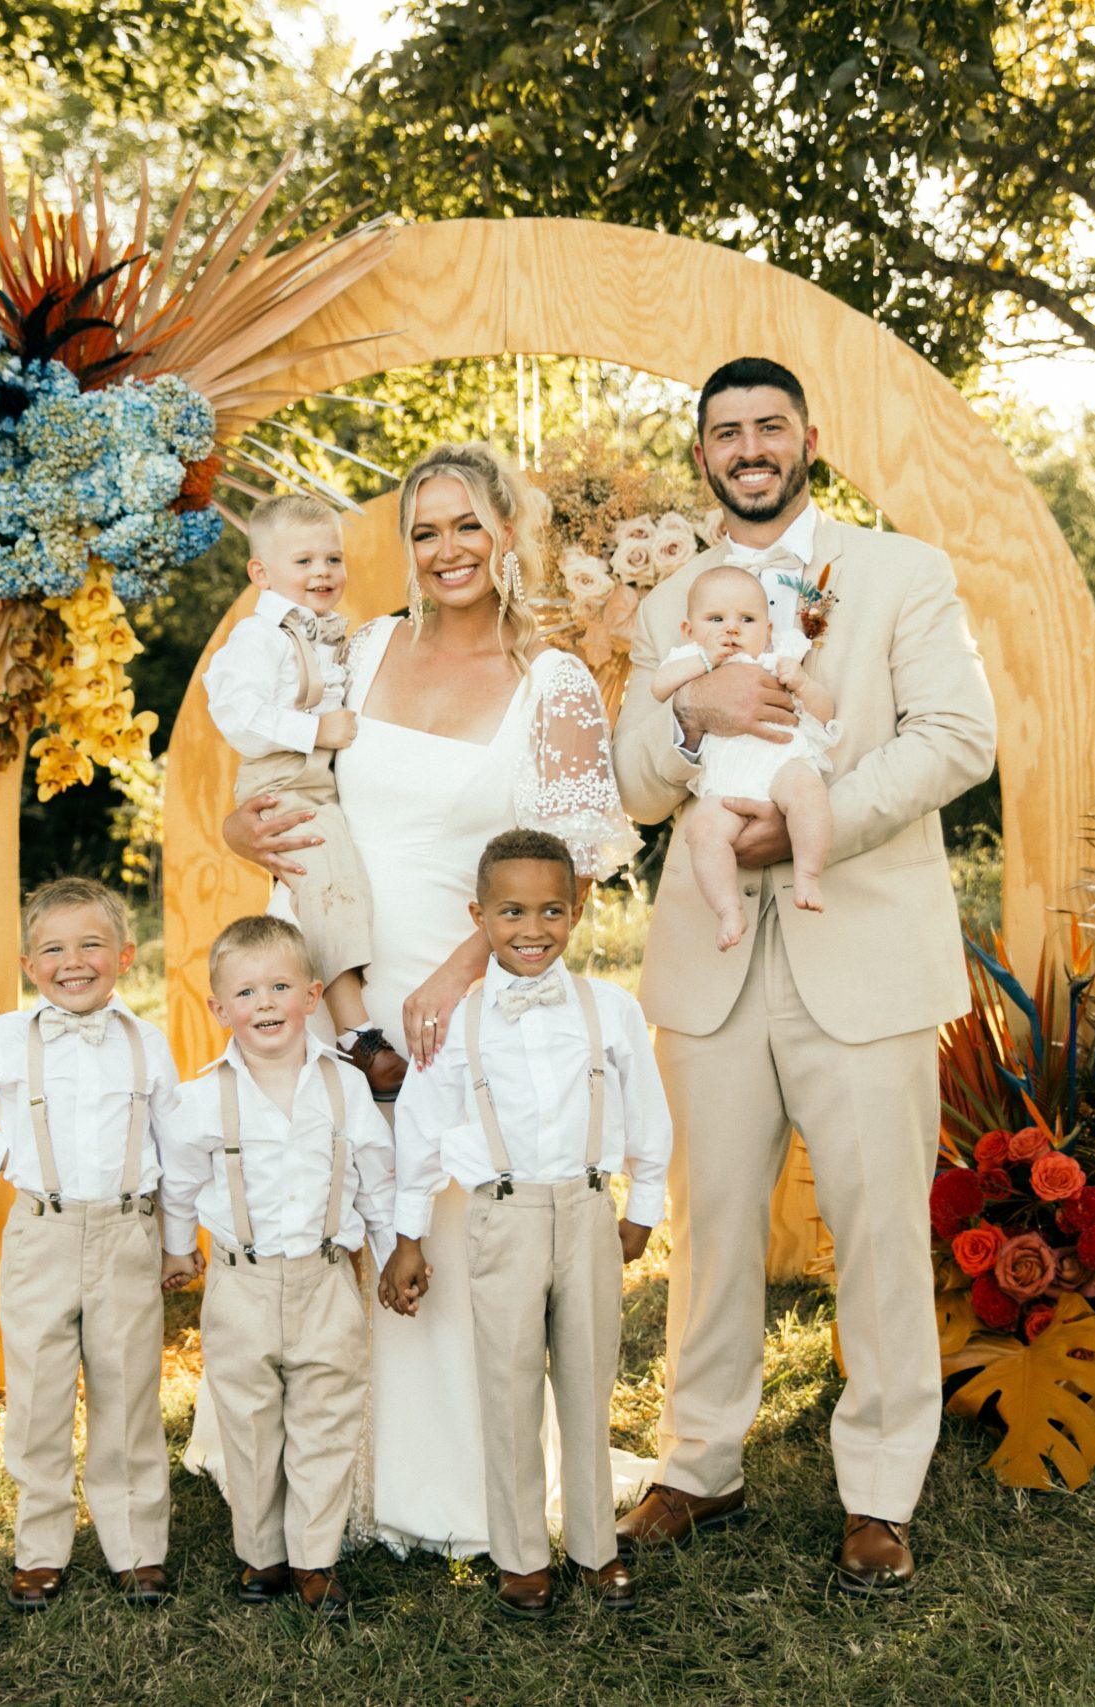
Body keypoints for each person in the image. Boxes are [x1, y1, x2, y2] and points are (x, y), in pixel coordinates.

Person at [609, 357, 997, 1594]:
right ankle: (698, 1463)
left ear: (807, 439)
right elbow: (628, 781)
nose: (749, 446)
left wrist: (818, 819)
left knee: (879, 1230)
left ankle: (880, 1489)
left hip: (862, 946)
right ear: (704, 454)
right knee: (710, 1228)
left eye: (769, 425)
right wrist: (692, 718)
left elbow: (958, 737)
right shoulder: (665, 597)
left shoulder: (899, 572)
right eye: (725, 432)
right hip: (711, 961)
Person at [217, 440, 643, 1559]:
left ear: (507, 533)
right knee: (329, 1206)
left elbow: (578, 857)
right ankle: (313, 1474)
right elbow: (276, 770)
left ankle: (453, 1483)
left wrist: (464, 975)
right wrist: (233, 828)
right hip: (338, 974)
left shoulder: (550, 681)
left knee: (450, 1230)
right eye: (423, 530)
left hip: (464, 990)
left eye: (466, 525)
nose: (445, 549)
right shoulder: (355, 652)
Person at [381, 829, 670, 1618]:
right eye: (511, 912)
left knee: (587, 1378)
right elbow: (420, 1131)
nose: (532, 928)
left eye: (550, 909)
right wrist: (407, 1237)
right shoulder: (458, 1022)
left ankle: (595, 1546)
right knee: (507, 1385)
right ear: (480, 916)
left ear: (576, 910)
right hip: (500, 1218)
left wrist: (643, 1207)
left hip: (585, 1210)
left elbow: (647, 1114)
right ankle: (519, 1557)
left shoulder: (609, 1010)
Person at [0, 877, 185, 1611]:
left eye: (91, 944)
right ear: (30, 964)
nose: (74, 961)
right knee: (37, 1393)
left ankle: (136, 1546)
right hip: (42, 1233)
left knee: (128, 1389)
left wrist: (179, 1241)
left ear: (124, 955)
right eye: (54, 949)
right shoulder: (5, 1038)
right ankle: (39, 1546)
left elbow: (178, 1148)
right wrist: (6, 1156)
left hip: (128, 1230)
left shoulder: (146, 1042)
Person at [159, 915, 394, 1620]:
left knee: (327, 1415)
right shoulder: (201, 1098)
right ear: (219, 1008)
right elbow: (176, 1180)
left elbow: (376, 1177)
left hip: (327, 1276)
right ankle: (261, 1550)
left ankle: (316, 1559)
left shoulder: (344, 1088)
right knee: (250, 1418)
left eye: (280, 986)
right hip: (241, 1281)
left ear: (313, 995)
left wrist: (393, 1250)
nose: (264, 1002)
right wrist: (179, 1246)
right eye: (246, 990)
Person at [202, 494, 404, 1100]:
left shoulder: (331, 635)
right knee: (326, 881)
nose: (322, 572)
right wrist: (314, 730)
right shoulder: (255, 638)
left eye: (332, 558)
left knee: (344, 879)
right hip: (280, 779)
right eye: (304, 561)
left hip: (318, 781)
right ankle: (355, 1031)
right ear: (260, 574)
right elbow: (237, 716)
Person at [650, 564, 842, 947]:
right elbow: (659, 688)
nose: (732, 629)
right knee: (702, 830)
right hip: (725, 783)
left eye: (747, 619)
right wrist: (705, 661)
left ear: (768, 631)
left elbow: (825, 713)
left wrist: (801, 682)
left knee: (807, 791)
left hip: (781, 764)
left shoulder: (776, 659)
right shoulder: (689, 660)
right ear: (689, 631)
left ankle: (807, 874)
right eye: (716, 618)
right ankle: (727, 910)